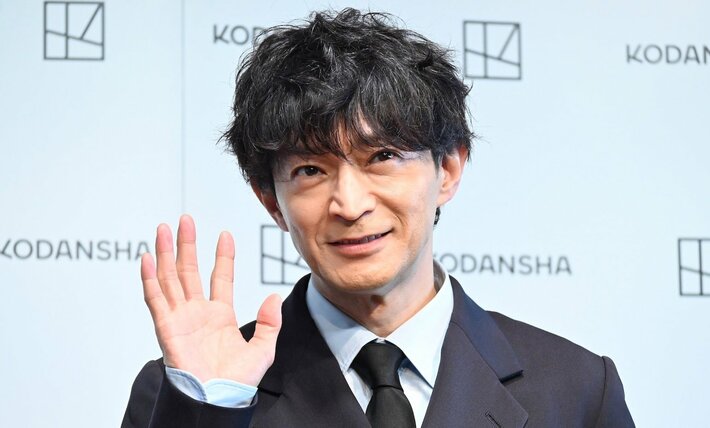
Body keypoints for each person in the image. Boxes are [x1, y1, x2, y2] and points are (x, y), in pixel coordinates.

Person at [122, 8, 634, 428]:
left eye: (383, 157)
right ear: (270, 201)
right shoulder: (190, 393)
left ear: (448, 169)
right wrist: (213, 409)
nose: (349, 204)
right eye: (310, 169)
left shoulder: (577, 390)